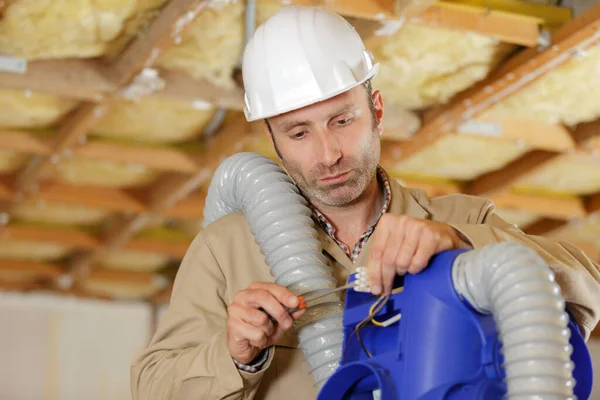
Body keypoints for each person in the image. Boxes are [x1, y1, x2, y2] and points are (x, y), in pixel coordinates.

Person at [130, 5, 600, 400]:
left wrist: (459, 243)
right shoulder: (225, 249)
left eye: (341, 120)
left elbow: (587, 291)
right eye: (299, 132)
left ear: (376, 109)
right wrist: (234, 352)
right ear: (272, 139)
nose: (328, 153)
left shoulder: (461, 220)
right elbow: (151, 387)